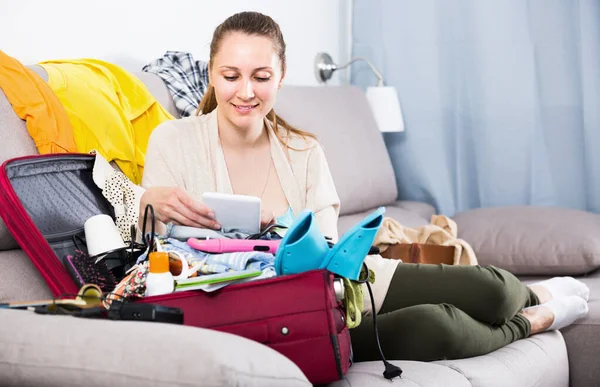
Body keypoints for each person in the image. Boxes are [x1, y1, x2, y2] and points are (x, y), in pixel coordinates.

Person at [139, 11, 590, 362]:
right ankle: (536, 320)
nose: (245, 92)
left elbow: (333, 250)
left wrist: (282, 227)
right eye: (230, 76)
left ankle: (536, 294)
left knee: (492, 292)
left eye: (260, 76)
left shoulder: (303, 151)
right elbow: (140, 251)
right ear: (213, 75)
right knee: (439, 329)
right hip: (267, 312)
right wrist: (148, 202)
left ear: (280, 76)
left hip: (336, 288)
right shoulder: (173, 141)